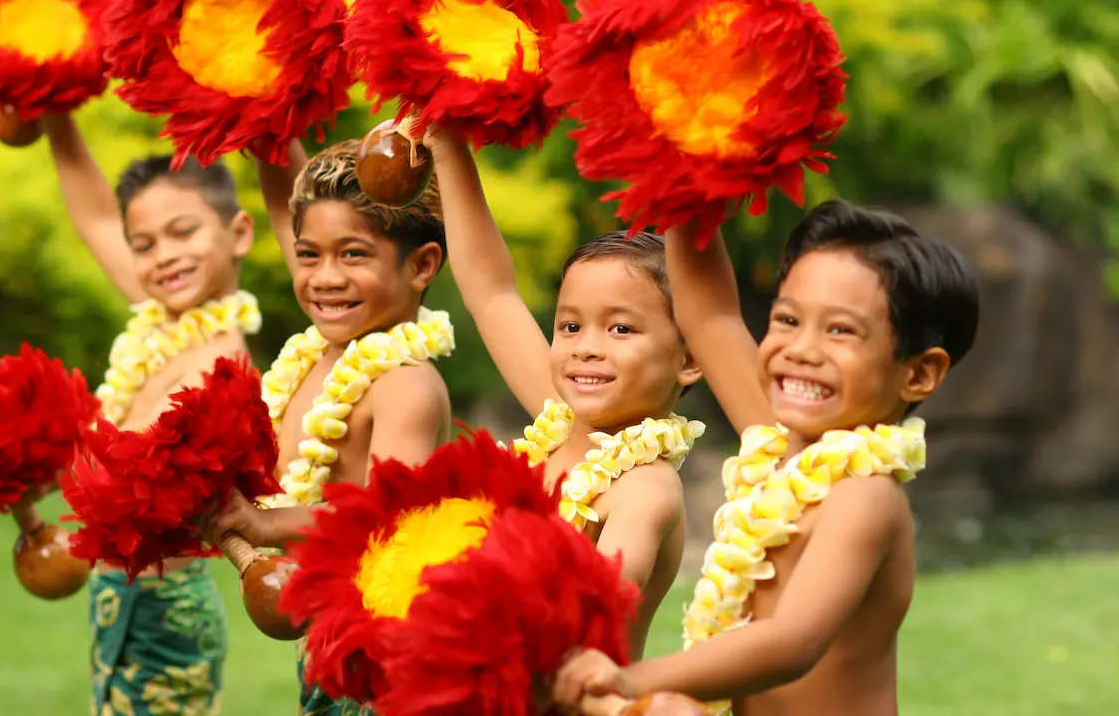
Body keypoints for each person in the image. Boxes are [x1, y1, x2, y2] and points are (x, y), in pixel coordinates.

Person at [552, 201, 980, 716]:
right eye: (787, 319)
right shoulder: (775, 447)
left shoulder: (867, 496)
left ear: (918, 374)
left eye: (840, 330)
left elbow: (791, 641)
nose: (801, 348)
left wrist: (630, 680)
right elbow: (709, 312)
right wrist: (684, 178)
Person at [418, 128, 707, 661]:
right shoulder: (559, 419)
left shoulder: (645, 488)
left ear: (689, 358)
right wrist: (447, 146)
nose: (586, 349)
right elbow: (491, 291)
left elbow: (596, 606)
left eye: (621, 329)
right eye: (570, 327)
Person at [205, 138, 455, 715]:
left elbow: (385, 521)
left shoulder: (404, 386)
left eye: (353, 255)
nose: (324, 277)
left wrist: (265, 528)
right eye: (308, 255)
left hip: (387, 659)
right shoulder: (320, 354)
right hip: (329, 638)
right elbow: (283, 196)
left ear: (421, 265)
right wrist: (264, 120)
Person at [39, 112, 262, 716]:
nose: (164, 256)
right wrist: (56, 115)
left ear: (239, 233)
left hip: (167, 614)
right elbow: (91, 216)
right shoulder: (164, 325)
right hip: (119, 597)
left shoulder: (224, 371)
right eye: (144, 245)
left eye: (183, 232)